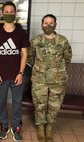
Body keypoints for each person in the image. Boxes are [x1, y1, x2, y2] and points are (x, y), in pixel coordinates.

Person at [27, 14, 72, 142]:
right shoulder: (35, 41)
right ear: (42, 24)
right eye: (46, 23)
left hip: (58, 80)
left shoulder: (63, 41)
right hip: (39, 79)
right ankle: (41, 128)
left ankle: (50, 128)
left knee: (54, 106)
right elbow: (30, 58)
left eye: (51, 23)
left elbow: (68, 58)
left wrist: (56, 69)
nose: (48, 25)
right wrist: (40, 69)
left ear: (55, 24)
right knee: (39, 105)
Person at [0, 1, 29, 141]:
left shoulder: (21, 33)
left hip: (16, 75)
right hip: (1, 75)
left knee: (17, 103)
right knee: (2, 102)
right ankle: (4, 125)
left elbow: (24, 54)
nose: (9, 14)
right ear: (2, 13)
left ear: (15, 14)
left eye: (12, 12)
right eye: (6, 11)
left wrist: (21, 73)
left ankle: (16, 127)